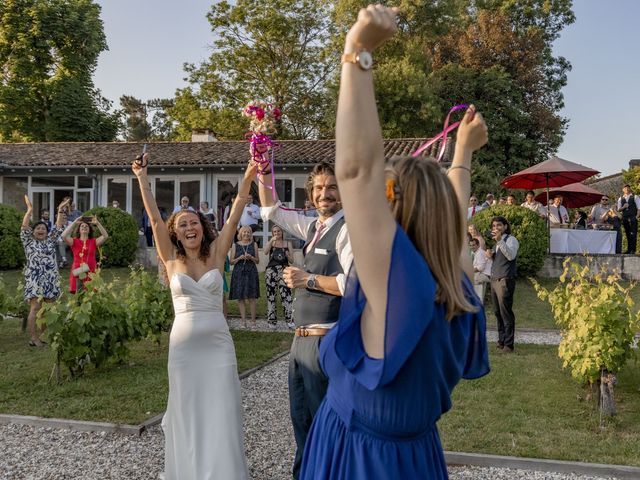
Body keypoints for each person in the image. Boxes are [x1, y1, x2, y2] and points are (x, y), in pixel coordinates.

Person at [298, 6, 489, 479]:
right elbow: (454, 220)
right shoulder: (459, 284)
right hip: (417, 457)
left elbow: (356, 170)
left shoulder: (395, 284)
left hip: (362, 458)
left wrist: (357, 53)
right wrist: (461, 155)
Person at [132, 152, 256, 480]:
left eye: (194, 222)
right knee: (187, 412)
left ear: (203, 227)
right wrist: (143, 178)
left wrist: (250, 171)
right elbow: (155, 220)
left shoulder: (216, 254)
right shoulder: (171, 259)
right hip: (184, 352)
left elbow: (236, 213)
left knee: (223, 411)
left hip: (219, 347)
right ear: (176, 232)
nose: (190, 226)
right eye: (183, 224)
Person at [258, 158, 353, 479]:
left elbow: (351, 285)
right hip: (299, 342)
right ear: (311, 195)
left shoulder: (348, 228)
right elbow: (270, 209)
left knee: (325, 424)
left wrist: (306, 280)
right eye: (319, 188)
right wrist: (261, 167)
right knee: (301, 421)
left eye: (332, 187)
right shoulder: (313, 226)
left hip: (326, 342)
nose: (325, 193)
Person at [20, 195, 69, 347]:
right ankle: (34, 338)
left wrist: (60, 210)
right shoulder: (28, 241)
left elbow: (59, 225)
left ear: (47, 232)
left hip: (50, 278)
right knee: (36, 307)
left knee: (48, 308)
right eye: (38, 228)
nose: (41, 230)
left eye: (43, 228)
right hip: (35, 279)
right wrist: (29, 210)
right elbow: (24, 226)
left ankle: (43, 336)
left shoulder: (50, 240)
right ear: (33, 231)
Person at [487, 216, 519, 353]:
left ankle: (509, 345)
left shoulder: (511, 239)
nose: (496, 228)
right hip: (494, 280)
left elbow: (511, 255)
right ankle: (501, 340)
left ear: (505, 226)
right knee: (497, 312)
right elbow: (500, 259)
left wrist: (500, 240)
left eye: (498, 225)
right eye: (494, 226)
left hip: (505, 280)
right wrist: (491, 255)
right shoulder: (496, 242)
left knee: (506, 312)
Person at [62, 216, 109, 294]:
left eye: (86, 226)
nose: (84, 227)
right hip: (78, 271)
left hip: (91, 271)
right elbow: (63, 236)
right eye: (82, 226)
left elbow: (105, 236)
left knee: (91, 295)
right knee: (79, 296)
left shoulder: (93, 241)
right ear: (79, 230)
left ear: (89, 230)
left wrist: (97, 223)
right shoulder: (74, 241)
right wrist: (74, 222)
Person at [229, 225, 260, 327]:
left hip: (251, 272)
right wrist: (239, 258)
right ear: (240, 234)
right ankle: (243, 321)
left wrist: (251, 257)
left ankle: (253, 321)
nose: (246, 234)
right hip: (239, 273)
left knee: (252, 297)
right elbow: (231, 262)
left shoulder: (254, 244)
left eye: (248, 232)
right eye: (244, 232)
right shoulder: (235, 245)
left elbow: (257, 261)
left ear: (250, 234)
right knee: (240, 297)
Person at [264, 225, 294, 329]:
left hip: (284, 271)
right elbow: (265, 251)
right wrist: (271, 240)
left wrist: (287, 255)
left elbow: (292, 260)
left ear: (282, 232)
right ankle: (272, 321)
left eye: (278, 231)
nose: (277, 233)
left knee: (287, 295)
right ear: (272, 233)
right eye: (275, 231)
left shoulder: (288, 243)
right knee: (271, 296)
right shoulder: (271, 242)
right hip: (271, 271)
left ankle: (290, 320)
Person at [617, 184, 640, 254]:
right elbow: (618, 209)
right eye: (625, 188)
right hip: (625, 218)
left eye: (628, 188)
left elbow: (639, 208)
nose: (626, 189)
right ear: (623, 190)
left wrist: (637, 216)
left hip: (633, 217)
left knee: (633, 233)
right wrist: (624, 207)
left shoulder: (635, 196)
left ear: (630, 189)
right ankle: (629, 249)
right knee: (627, 233)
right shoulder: (620, 198)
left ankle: (633, 249)